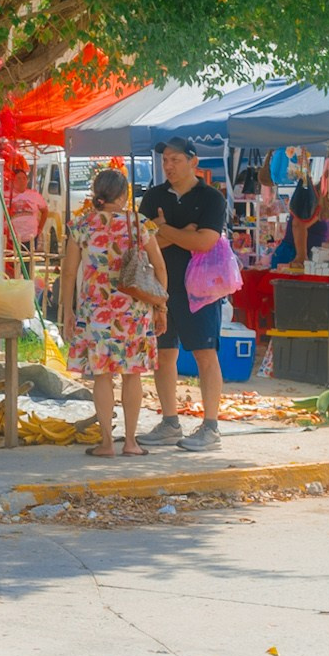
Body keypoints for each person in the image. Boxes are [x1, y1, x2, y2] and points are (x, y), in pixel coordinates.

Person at [61, 169, 167, 458]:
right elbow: (159, 267)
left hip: (95, 311)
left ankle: (107, 443)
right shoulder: (140, 224)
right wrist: (160, 307)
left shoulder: (81, 225)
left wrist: (67, 311)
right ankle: (131, 442)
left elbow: (69, 272)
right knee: (133, 375)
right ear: (124, 195)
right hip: (134, 311)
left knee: (102, 377)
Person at [141, 138, 232, 451]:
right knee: (163, 354)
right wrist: (184, 234)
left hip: (201, 290)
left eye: (175, 159)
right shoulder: (153, 196)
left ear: (194, 162)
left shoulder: (211, 198)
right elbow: (144, 244)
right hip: (160, 288)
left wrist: (162, 229)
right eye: (165, 159)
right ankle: (169, 422)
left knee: (205, 354)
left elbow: (205, 242)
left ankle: (211, 426)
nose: (168, 165)